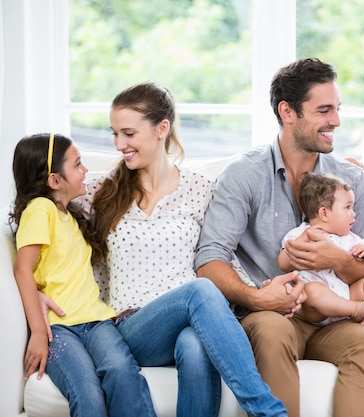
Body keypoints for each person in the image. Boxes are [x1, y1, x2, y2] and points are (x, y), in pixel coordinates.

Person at [70, 82, 285, 417]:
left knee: (195, 344)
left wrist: (262, 291)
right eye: (114, 134)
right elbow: (44, 212)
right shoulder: (99, 191)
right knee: (198, 291)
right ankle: (268, 411)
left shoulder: (200, 189)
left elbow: (220, 252)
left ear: (162, 129)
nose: (119, 144)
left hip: (190, 324)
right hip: (131, 328)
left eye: (128, 133)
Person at [195, 58, 364, 417]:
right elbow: (208, 260)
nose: (336, 121)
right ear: (287, 111)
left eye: (337, 109)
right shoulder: (244, 174)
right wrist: (257, 298)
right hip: (271, 316)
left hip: (335, 318)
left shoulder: (354, 183)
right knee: (270, 332)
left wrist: (338, 260)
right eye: (324, 110)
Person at [10, 133, 156, 417]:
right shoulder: (40, 210)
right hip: (59, 328)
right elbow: (23, 269)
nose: (85, 170)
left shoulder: (70, 215)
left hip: (97, 322)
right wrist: (38, 332)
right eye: (78, 165)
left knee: (121, 370)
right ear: (54, 181)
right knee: (87, 392)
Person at [278, 171, 364, 327]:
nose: (354, 214)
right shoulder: (301, 234)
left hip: (347, 296)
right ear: (324, 213)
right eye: (348, 208)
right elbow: (283, 264)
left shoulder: (349, 237)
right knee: (312, 290)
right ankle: (357, 309)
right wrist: (300, 242)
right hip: (317, 308)